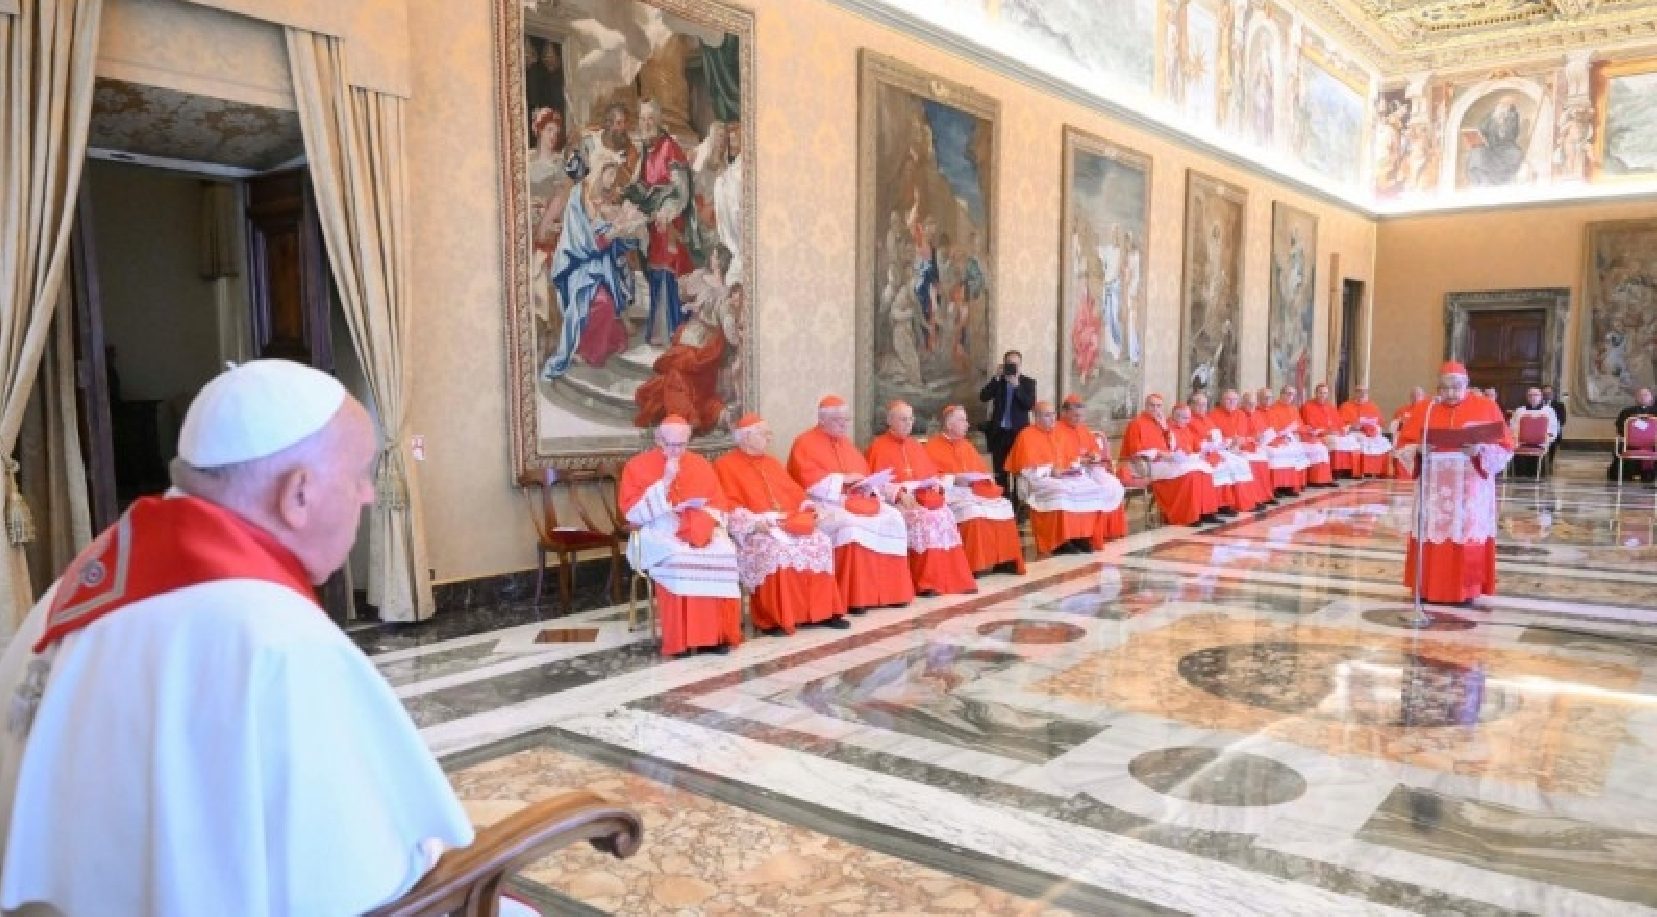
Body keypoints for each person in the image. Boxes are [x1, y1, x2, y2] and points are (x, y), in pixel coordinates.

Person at [0, 360, 475, 915]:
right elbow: (363, 883)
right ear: (298, 495)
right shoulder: (275, 637)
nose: (368, 495)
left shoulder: (78, 587)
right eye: (358, 476)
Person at [713, 414, 849, 635]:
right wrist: (754, 524)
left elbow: (794, 492)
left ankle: (823, 612)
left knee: (820, 541)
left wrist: (809, 508)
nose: (769, 437)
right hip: (757, 528)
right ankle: (775, 619)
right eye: (764, 434)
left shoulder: (772, 462)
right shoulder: (724, 466)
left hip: (786, 521)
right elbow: (726, 505)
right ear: (746, 438)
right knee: (776, 548)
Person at [621, 416, 744, 657]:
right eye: (671, 445)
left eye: (682, 444)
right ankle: (681, 640)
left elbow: (718, 502)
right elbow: (632, 512)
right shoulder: (636, 466)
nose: (677, 450)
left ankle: (714, 637)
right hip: (658, 529)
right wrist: (665, 482)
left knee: (723, 552)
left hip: (697, 526)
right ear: (659, 439)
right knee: (678, 559)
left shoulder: (700, 464)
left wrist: (702, 519)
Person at [1395, 361, 1514, 605]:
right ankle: (1428, 587)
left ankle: (1466, 590)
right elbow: (1403, 445)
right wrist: (1418, 449)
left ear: (1467, 384)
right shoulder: (1426, 408)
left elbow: (1505, 446)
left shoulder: (1486, 406)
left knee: (1466, 531)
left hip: (1470, 486)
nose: (1450, 393)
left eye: (1456, 387)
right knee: (1432, 531)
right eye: (1444, 388)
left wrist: (1480, 450)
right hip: (1434, 487)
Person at [787, 395, 914, 612]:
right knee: (852, 527)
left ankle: (893, 593)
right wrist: (842, 480)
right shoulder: (804, 443)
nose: (845, 425)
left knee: (893, 517)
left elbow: (864, 474)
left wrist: (866, 484)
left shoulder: (846, 443)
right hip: (826, 504)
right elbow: (805, 480)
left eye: (847, 420)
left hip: (857, 499)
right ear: (823, 420)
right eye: (840, 421)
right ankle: (857, 597)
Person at [865, 401, 978, 596]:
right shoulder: (878, 447)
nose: (908, 423)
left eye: (911, 419)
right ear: (890, 421)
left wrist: (934, 485)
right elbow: (876, 484)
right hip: (899, 501)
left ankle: (953, 578)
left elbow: (930, 474)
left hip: (922, 497)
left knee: (945, 515)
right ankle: (927, 582)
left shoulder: (916, 446)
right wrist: (898, 493)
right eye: (903, 419)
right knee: (925, 520)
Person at [1004, 401, 1124, 555]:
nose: (1052, 418)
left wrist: (1071, 468)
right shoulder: (1026, 435)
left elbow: (1071, 459)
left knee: (1089, 487)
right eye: (1047, 415)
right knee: (1062, 491)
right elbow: (1026, 469)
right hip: (1038, 479)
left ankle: (1080, 536)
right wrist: (1049, 470)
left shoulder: (1058, 433)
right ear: (1036, 417)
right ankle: (1059, 541)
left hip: (1063, 475)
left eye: (1053, 414)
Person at [924, 405, 1025, 576]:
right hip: (951, 493)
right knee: (973, 511)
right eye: (963, 420)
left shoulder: (967, 446)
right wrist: (954, 479)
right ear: (949, 424)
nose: (967, 424)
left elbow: (982, 472)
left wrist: (982, 479)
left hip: (973, 491)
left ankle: (1005, 560)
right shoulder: (932, 447)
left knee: (1005, 506)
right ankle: (975, 564)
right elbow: (930, 479)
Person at [632, 99, 696, 346]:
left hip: (669, 224)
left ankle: (673, 331)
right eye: (642, 119)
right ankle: (659, 331)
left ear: (659, 120)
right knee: (654, 272)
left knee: (668, 271)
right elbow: (642, 184)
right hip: (651, 224)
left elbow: (681, 192)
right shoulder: (646, 150)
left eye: (650, 118)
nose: (646, 123)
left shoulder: (670, 148)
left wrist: (666, 212)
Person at [1120, 394, 1220, 526]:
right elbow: (1135, 450)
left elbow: (1170, 445)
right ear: (1146, 406)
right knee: (1190, 473)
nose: (1155, 409)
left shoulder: (1161, 423)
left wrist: (1166, 430)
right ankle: (1186, 516)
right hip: (1145, 464)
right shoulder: (1136, 423)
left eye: (1158, 406)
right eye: (1152, 405)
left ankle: (1205, 513)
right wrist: (1159, 453)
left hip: (1166, 460)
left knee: (1203, 469)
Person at [1053, 394, 1129, 539]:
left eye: (1081, 416)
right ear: (1064, 413)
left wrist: (1094, 455)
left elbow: (1093, 448)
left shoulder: (1082, 428)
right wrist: (1079, 460)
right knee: (1093, 490)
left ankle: (1109, 530)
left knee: (1113, 484)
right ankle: (1090, 531)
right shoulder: (1056, 430)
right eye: (1075, 416)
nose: (1079, 420)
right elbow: (1057, 458)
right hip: (1072, 472)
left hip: (1090, 468)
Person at [1186, 393, 1262, 512]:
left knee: (1240, 461)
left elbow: (1218, 437)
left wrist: (1226, 442)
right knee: (1225, 465)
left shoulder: (1207, 419)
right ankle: (1222, 505)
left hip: (1217, 450)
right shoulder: (1188, 420)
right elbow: (1192, 441)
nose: (1202, 407)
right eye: (1198, 404)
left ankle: (1246, 501)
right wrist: (1209, 444)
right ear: (1191, 405)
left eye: (1204, 405)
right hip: (1202, 453)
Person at [978, 350, 1036, 490]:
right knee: (1000, 474)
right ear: (1004, 364)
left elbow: (1029, 405)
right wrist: (996, 378)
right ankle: (1003, 501)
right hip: (999, 434)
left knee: (1018, 473)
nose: (1012, 367)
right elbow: (983, 397)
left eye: (1015, 364)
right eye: (1009, 364)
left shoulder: (1028, 382)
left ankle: (1017, 502)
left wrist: (1017, 387)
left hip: (1019, 435)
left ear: (1020, 365)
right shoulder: (999, 381)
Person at [1212, 389, 1278, 505]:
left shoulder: (1240, 414)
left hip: (1241, 447)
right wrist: (1231, 442)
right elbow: (1214, 438)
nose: (1232, 402)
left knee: (1262, 458)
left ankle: (1262, 495)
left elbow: (1244, 435)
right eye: (1228, 399)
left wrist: (1250, 440)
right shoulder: (1214, 415)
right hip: (1224, 449)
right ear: (1222, 400)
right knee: (1244, 461)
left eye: (1234, 400)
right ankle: (1246, 500)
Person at [1266, 386, 1335, 486]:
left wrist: (1308, 430)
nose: (1291, 397)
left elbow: (1300, 424)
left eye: (1293, 395)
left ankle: (1322, 480)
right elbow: (1274, 428)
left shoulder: (1293, 408)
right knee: (1298, 450)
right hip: (1284, 437)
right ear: (1282, 394)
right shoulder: (1273, 408)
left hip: (1298, 436)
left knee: (1320, 448)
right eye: (1289, 394)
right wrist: (1289, 432)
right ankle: (1294, 484)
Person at [1242, 389, 1305, 496]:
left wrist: (1281, 438)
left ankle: (1287, 486)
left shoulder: (1272, 411)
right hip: (1260, 444)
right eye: (1265, 398)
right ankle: (1274, 488)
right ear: (1259, 399)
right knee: (1274, 452)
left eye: (1270, 398)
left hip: (1271, 440)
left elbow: (1277, 429)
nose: (1268, 400)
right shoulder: (1253, 412)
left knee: (1287, 450)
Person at [1301, 383, 1360, 479]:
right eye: (1320, 393)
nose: (1323, 395)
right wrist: (1329, 431)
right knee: (1335, 440)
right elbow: (1311, 426)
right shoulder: (1307, 406)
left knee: (1351, 439)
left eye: (1325, 393)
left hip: (1334, 432)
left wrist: (1342, 430)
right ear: (1315, 393)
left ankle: (1348, 471)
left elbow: (1339, 422)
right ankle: (1335, 471)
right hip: (1320, 434)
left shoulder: (1330, 406)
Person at [1338, 385, 1393, 478]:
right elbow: (1340, 425)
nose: (1362, 394)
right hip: (1353, 432)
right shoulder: (1345, 406)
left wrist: (1374, 428)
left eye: (1364, 392)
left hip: (1370, 433)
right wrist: (1352, 426)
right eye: (1359, 391)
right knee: (1361, 441)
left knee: (1383, 442)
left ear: (1367, 393)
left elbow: (1380, 424)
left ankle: (1376, 470)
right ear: (1355, 393)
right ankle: (1361, 471)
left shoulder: (1373, 406)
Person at [1508, 387, 1560, 478]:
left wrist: (1546, 438)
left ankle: (1537, 473)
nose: (1533, 397)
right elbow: (1513, 426)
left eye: (1536, 395)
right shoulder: (1520, 411)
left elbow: (1553, 427)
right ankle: (1519, 474)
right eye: (1530, 395)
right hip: (1521, 442)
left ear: (1541, 397)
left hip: (1540, 443)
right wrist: (1516, 437)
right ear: (1527, 397)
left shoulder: (1548, 410)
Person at [1608, 387, 1657, 483]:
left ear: (1651, 397)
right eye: (1640, 395)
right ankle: (1628, 473)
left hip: (1653, 444)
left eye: (1646, 395)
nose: (1643, 397)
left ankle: (1649, 473)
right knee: (1621, 447)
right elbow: (1621, 429)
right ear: (1636, 397)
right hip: (1631, 444)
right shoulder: (1626, 412)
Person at [1391, 386, 1429, 480]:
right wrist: (1400, 422)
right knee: (1400, 451)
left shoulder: (1429, 410)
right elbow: (1393, 427)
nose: (1416, 397)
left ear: (1423, 396)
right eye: (1413, 395)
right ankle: (1403, 477)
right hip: (1405, 440)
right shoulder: (1402, 410)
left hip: (1422, 440)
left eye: (1418, 395)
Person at [1542, 384, 1567, 468]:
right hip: (1539, 431)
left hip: (1553, 431)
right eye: (1545, 393)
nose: (1547, 395)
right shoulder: (1538, 404)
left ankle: (1549, 463)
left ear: (1553, 394)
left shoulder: (1560, 405)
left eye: (1549, 393)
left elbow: (1562, 420)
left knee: (1552, 441)